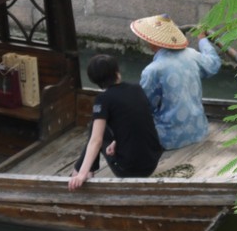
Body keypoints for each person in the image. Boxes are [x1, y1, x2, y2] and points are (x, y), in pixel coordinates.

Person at [68, 54, 163, 189]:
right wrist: (115, 142)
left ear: (95, 80)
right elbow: (137, 122)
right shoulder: (136, 88)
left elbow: (96, 141)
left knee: (94, 128)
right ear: (117, 72)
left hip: (129, 171)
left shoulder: (103, 99)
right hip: (152, 161)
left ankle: (82, 171)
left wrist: (81, 174)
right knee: (99, 127)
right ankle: (84, 169)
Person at [130, 14, 221, 150]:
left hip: (168, 138)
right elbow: (214, 64)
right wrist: (203, 40)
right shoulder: (192, 55)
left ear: (153, 42)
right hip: (199, 130)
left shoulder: (153, 70)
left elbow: (144, 107)